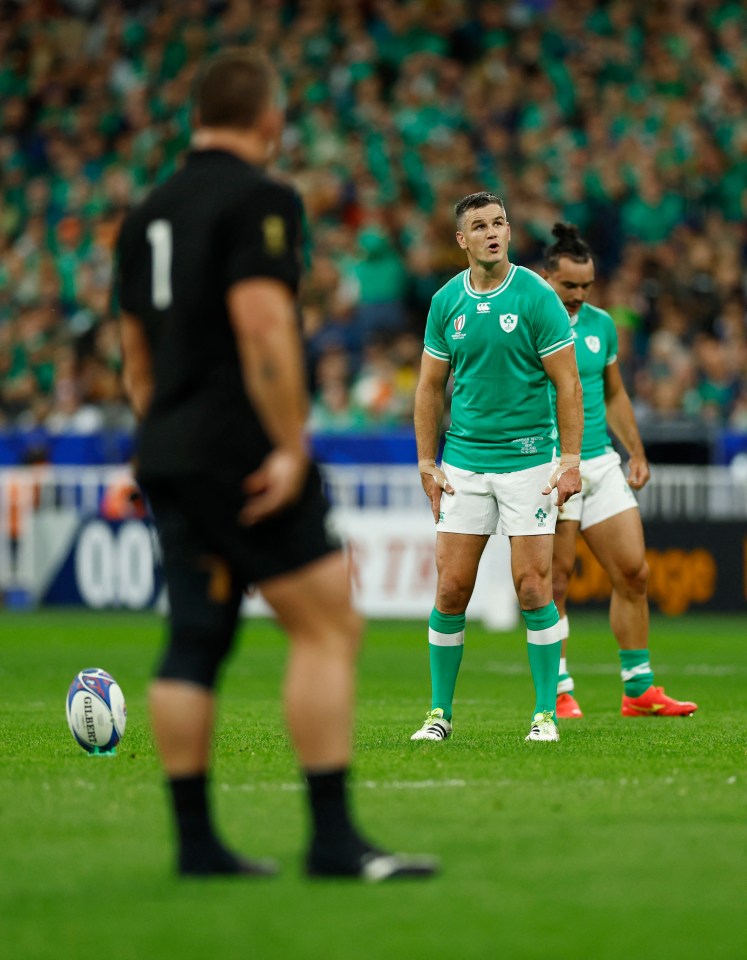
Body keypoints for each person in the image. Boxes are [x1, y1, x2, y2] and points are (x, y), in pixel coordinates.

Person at [115, 48, 436, 881]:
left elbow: (133, 353)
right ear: (269, 120)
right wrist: (290, 444)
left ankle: (195, 846)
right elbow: (262, 325)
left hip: (170, 445)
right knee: (328, 624)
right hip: (242, 445)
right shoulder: (260, 198)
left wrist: (164, 435)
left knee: (192, 640)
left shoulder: (147, 211)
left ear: (196, 119)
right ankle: (332, 840)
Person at [410, 192, 583, 745]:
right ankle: (439, 715)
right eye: (480, 225)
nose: (493, 232)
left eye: (501, 223)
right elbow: (429, 387)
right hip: (464, 464)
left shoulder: (536, 295)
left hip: (528, 463)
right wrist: (426, 462)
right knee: (451, 589)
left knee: (533, 587)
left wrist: (571, 461)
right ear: (461, 240)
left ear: (509, 232)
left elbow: (568, 384)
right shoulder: (445, 302)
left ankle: (544, 714)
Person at [542, 222, 697, 719]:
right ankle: (559, 691)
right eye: (569, 286)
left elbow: (613, 392)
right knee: (557, 582)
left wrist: (636, 450)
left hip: (599, 460)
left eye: (586, 286)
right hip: (549, 462)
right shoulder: (527, 321)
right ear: (547, 278)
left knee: (634, 572)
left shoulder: (600, 325)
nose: (579, 295)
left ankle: (639, 690)